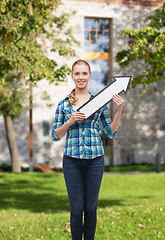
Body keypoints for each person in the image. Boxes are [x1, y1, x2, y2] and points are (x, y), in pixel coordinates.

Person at [51, 59, 124, 240]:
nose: (81, 77)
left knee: (90, 209)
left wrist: (119, 110)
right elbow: (55, 135)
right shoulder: (63, 105)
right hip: (72, 161)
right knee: (77, 210)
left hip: (95, 161)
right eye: (77, 73)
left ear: (90, 76)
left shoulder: (99, 102)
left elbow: (110, 132)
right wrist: (70, 121)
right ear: (72, 76)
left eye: (84, 73)